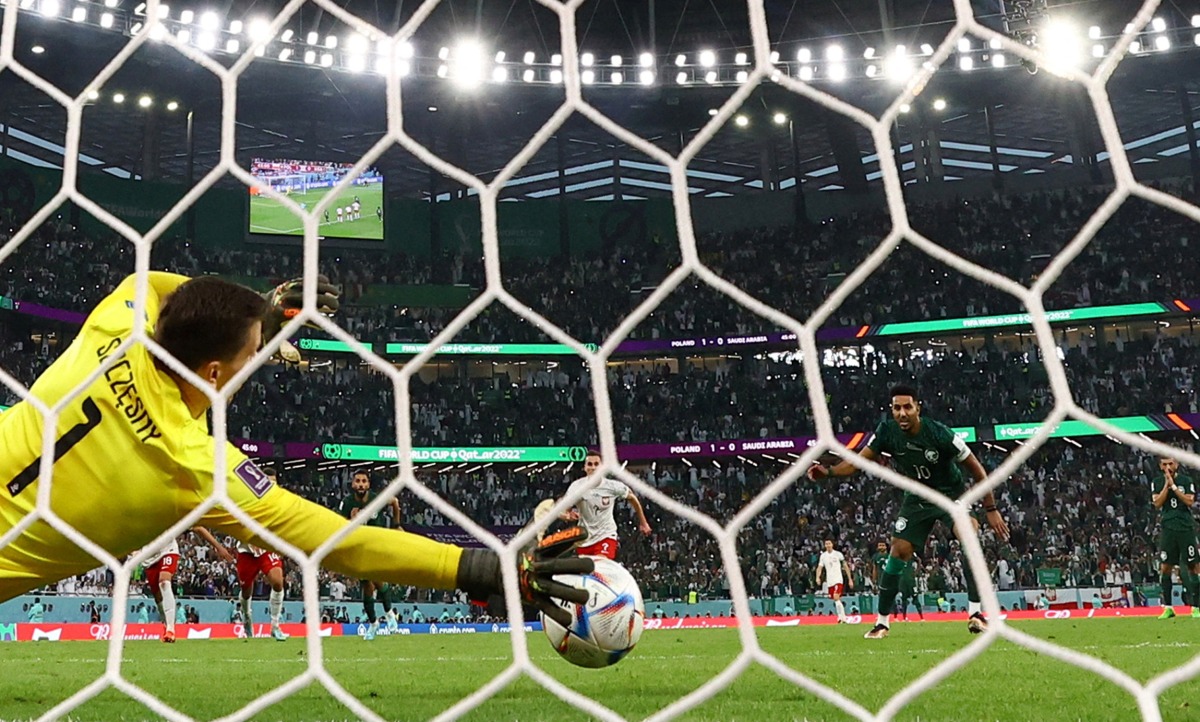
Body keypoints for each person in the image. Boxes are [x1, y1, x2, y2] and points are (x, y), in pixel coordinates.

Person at [0, 272, 591, 629]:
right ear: (212, 373)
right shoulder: (196, 468)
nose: (263, 355)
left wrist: (258, 308)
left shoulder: (116, 322)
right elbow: (341, 544)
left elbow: (170, 294)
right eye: (254, 351)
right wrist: (481, 569)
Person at [808, 384, 1010, 639]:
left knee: (968, 536)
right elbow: (857, 462)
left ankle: (976, 614)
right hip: (916, 498)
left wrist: (990, 508)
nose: (901, 413)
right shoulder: (887, 432)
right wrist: (829, 472)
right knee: (898, 552)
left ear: (918, 408)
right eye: (896, 408)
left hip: (950, 495)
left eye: (907, 407)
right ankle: (882, 623)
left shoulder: (940, 434)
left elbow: (977, 470)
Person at [549, 451, 652, 560]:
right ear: (584, 467)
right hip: (584, 540)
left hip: (606, 535)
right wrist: (566, 515)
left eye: (596, 464)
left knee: (600, 566)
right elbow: (562, 510)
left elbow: (632, 498)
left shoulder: (613, 486)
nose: (593, 468)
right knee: (589, 573)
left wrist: (643, 523)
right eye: (589, 464)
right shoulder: (576, 487)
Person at [225, 469, 290, 640]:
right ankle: (247, 617)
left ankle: (275, 626)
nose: (271, 485)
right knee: (246, 589)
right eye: (268, 482)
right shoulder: (248, 501)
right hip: (247, 550)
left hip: (267, 548)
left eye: (274, 482)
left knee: (277, 582)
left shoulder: (280, 502)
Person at [337, 470, 402, 638]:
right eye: (357, 481)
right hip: (358, 547)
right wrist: (351, 521)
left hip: (375, 544)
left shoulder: (377, 499)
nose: (360, 484)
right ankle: (374, 624)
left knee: (377, 580)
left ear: (368, 484)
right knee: (367, 586)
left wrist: (396, 525)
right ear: (352, 484)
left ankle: (389, 614)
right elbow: (339, 527)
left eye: (364, 481)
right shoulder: (346, 503)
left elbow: (395, 502)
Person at [139, 527, 230, 643]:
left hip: (168, 550)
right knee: (158, 599)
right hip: (149, 558)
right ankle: (166, 625)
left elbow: (198, 528)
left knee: (164, 582)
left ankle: (171, 630)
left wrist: (219, 547)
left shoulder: (173, 512)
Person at [1150, 455, 1199, 619]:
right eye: (1164, 464)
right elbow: (1157, 503)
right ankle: (1169, 608)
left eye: (1170, 463)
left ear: (1176, 464)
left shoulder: (1186, 480)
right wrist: (1167, 484)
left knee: (1193, 566)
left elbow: (1189, 501)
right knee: (1165, 567)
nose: (1168, 467)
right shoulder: (1157, 482)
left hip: (1185, 528)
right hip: (1168, 529)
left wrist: (1175, 487)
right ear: (1160, 466)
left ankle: (1196, 607)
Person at [815, 539, 853, 623]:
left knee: (836, 596)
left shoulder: (838, 554)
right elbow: (819, 568)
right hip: (830, 581)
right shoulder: (823, 556)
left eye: (829, 543)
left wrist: (850, 579)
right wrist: (818, 577)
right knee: (836, 599)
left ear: (832, 544)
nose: (828, 545)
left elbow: (845, 566)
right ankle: (843, 617)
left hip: (838, 579)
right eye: (826, 544)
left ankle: (841, 618)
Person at [898, 555, 924, 621]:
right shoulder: (897, 553)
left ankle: (921, 617)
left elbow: (919, 560)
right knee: (904, 600)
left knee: (915, 598)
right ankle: (904, 618)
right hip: (902, 581)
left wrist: (917, 571)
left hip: (911, 581)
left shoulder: (910, 553)